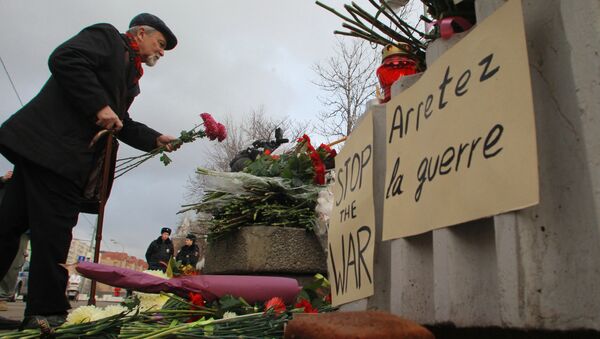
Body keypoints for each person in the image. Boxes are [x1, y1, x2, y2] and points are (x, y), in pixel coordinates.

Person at [0, 13, 179, 330]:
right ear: (139, 33)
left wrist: (154, 138)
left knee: (6, 230)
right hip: (57, 155)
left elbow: (121, 121)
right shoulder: (107, 39)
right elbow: (65, 59)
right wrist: (99, 105)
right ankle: (46, 313)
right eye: (160, 43)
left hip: (44, 155)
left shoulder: (128, 76)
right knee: (53, 235)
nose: (161, 52)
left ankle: (43, 310)